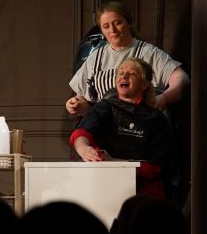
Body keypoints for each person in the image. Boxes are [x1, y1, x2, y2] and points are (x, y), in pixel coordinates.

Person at [69, 57, 178, 199]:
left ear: (144, 84)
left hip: (141, 187)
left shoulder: (156, 118)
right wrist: (83, 148)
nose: (124, 76)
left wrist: (120, 167)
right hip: (103, 182)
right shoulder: (104, 107)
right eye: (120, 73)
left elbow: (158, 165)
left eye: (131, 73)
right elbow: (82, 133)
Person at [65, 1, 188, 117]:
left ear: (128, 23)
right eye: (106, 26)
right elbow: (84, 97)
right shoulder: (96, 58)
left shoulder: (147, 53)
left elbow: (182, 78)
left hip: (139, 124)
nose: (113, 30)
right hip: (105, 125)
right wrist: (76, 104)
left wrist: (164, 98)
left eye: (118, 23)